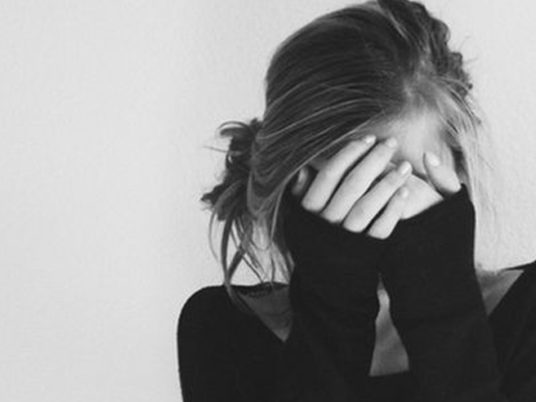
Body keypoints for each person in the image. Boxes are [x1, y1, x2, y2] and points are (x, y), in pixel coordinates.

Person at [177, 0, 536, 401]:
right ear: (291, 187)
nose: (374, 217)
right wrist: (331, 307)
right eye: (348, 186)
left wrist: (444, 308)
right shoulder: (223, 330)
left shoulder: (528, 313)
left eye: (403, 184)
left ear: (459, 170)